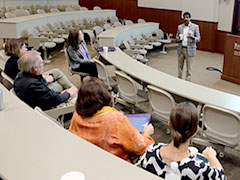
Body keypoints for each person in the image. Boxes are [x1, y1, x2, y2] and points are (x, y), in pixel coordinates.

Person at [69, 77, 155, 162]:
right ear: (105, 96)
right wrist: (146, 133)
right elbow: (141, 147)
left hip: (90, 160)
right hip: (117, 164)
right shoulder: (115, 119)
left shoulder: (77, 115)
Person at [141, 102, 226, 179]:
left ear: (169, 124)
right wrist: (212, 157)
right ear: (195, 130)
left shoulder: (150, 151)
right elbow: (221, 177)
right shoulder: (199, 169)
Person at [4, 38, 73, 93]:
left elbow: (31, 76)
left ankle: (73, 90)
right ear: (17, 49)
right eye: (24, 47)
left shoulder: (12, 61)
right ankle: (72, 91)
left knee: (56, 72)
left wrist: (44, 78)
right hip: (31, 89)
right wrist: (46, 80)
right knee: (59, 86)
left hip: (33, 81)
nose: (26, 49)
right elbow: (30, 81)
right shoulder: (17, 63)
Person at [176, 12, 200, 81]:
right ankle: (179, 79)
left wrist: (193, 37)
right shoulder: (180, 27)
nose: (186, 19)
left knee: (189, 67)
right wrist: (178, 38)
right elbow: (176, 37)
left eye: (187, 17)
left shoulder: (195, 27)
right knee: (180, 66)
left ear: (190, 18)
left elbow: (198, 38)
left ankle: (187, 81)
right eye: (184, 17)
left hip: (190, 49)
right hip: (181, 49)